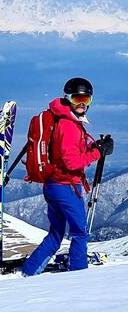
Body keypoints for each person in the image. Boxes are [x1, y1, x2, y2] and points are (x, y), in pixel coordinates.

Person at [23, 77, 114, 276]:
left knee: (56, 233)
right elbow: (72, 162)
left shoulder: (63, 119)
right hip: (65, 187)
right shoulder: (69, 125)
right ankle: (79, 276)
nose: (82, 103)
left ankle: (30, 271)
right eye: (77, 99)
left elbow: (67, 153)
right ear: (68, 98)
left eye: (86, 99)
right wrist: (99, 152)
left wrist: (93, 147)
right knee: (80, 233)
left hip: (54, 185)